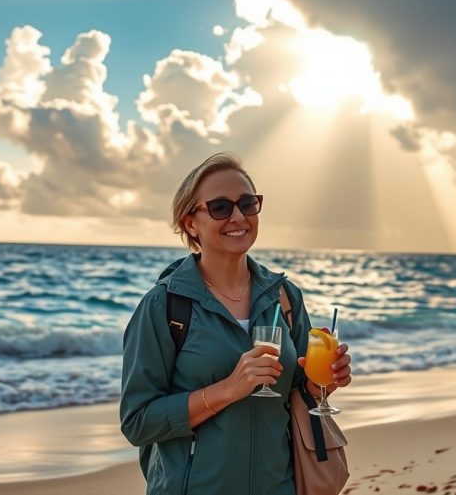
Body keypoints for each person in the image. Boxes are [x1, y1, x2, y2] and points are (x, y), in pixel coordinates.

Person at [120, 152, 353, 494]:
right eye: (220, 207)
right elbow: (137, 422)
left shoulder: (284, 297)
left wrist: (327, 381)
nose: (238, 217)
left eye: (247, 203)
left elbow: (300, 393)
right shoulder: (164, 306)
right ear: (190, 223)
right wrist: (228, 389)